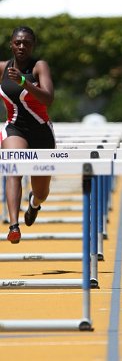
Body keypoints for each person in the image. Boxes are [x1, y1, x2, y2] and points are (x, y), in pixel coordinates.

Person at [0, 26, 55, 244]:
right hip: (15, 128)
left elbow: (48, 99)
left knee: (41, 191)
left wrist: (24, 82)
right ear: (11, 44)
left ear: (33, 46)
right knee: (13, 166)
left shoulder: (39, 67)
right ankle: (14, 226)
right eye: (18, 42)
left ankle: (34, 203)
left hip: (41, 131)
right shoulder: (3, 68)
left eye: (27, 43)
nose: (22, 46)